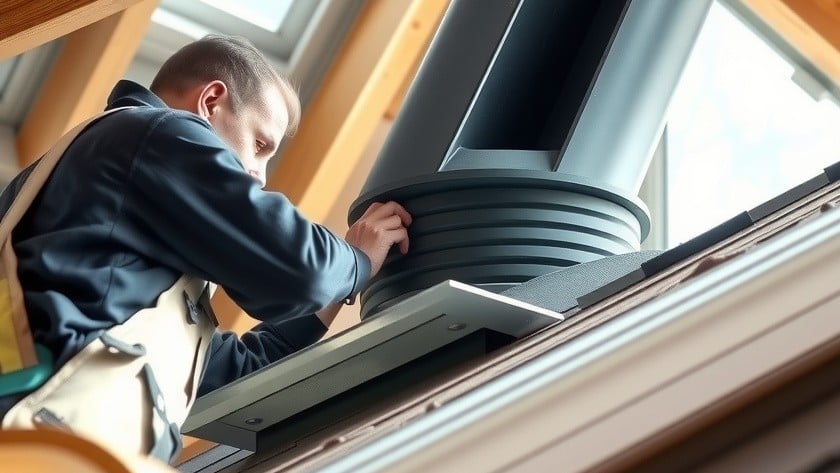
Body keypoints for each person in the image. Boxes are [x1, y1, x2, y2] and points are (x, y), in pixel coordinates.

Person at [0, 34, 411, 459]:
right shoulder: (154, 132)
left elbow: (239, 371)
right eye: (259, 144)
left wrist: (337, 292)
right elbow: (300, 269)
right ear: (211, 100)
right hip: (49, 447)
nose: (260, 175)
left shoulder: (97, 236)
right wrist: (356, 259)